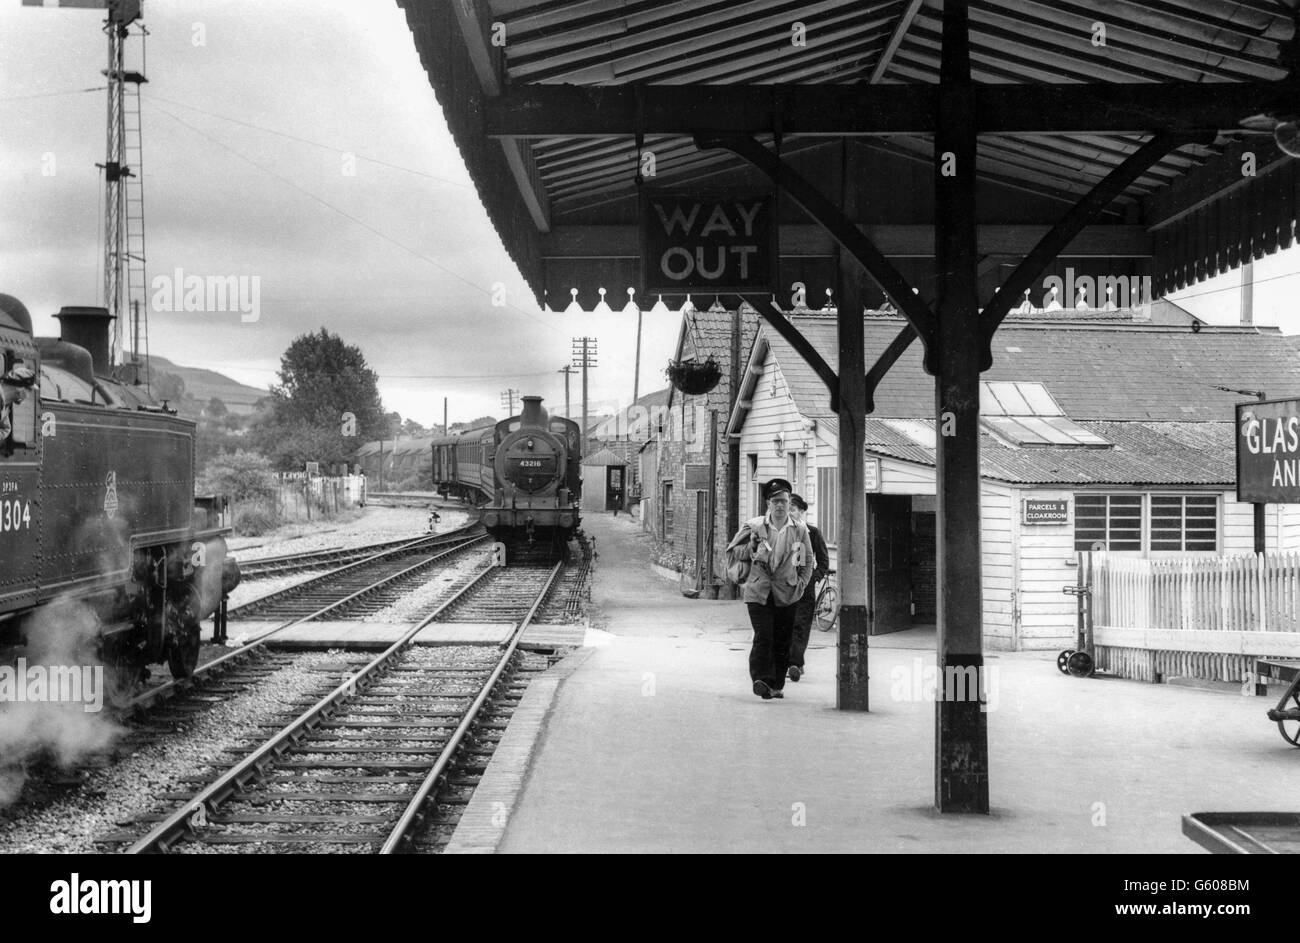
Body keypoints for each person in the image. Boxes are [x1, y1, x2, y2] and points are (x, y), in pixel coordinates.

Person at [725, 477, 815, 700]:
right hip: (758, 591)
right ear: (768, 504)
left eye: (784, 500)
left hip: (787, 592)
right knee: (764, 635)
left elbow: (807, 559)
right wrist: (752, 547)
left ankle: (776, 685)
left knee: (782, 639)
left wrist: (801, 584)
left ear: (789, 502)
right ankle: (760, 679)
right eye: (775, 501)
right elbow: (734, 552)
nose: (780, 505)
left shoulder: (799, 530)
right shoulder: (755, 526)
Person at [786, 493, 830, 682]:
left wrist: (813, 578)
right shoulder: (781, 532)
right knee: (785, 624)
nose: (790, 513)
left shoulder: (813, 532)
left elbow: (823, 561)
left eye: (793, 509)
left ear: (802, 511)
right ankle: (793, 662)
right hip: (783, 588)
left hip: (804, 588)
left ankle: (794, 663)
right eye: (788, 510)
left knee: (801, 625)